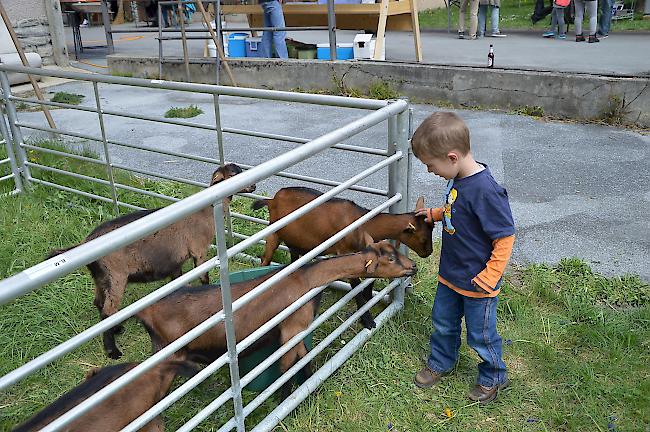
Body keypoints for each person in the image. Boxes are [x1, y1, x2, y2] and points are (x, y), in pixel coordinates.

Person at [411, 112, 515, 404]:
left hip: (478, 282)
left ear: (452, 157)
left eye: (431, 165)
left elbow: (505, 237)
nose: (430, 171)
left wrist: (491, 276)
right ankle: (441, 361)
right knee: (443, 322)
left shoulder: (486, 191)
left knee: (481, 334)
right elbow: (456, 210)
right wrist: (433, 213)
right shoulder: (459, 180)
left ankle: (494, 376)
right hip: (451, 274)